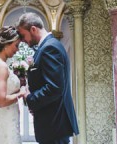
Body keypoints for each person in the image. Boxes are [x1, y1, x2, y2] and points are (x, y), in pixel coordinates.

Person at [17, 12, 79, 144]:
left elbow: (54, 88)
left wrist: (30, 98)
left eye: (23, 36)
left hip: (54, 123)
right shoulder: (48, 46)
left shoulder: (49, 48)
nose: (22, 40)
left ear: (33, 29)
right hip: (53, 123)